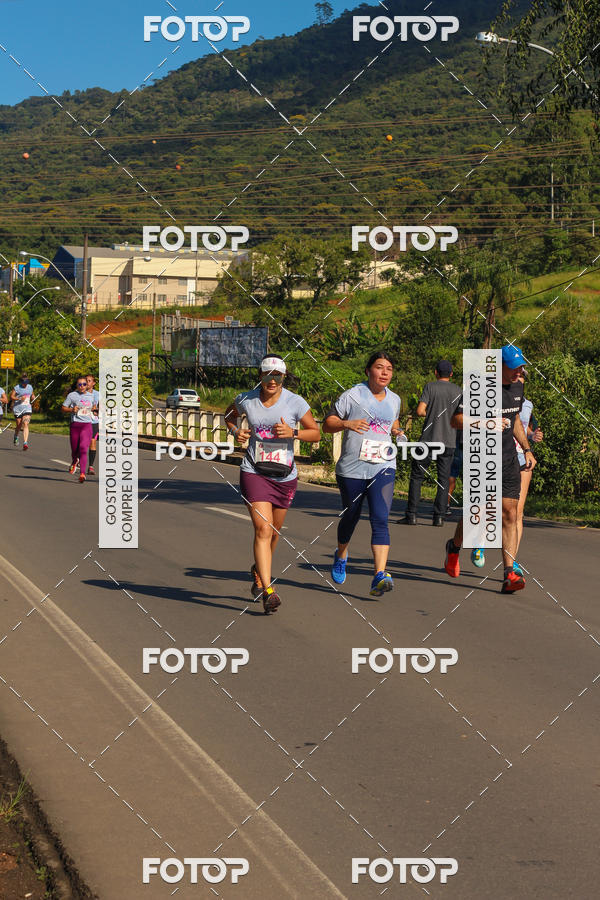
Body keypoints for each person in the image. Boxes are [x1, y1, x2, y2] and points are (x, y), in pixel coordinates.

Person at [224, 355, 320, 615]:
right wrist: (235, 431)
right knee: (263, 530)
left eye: (278, 376)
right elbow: (229, 416)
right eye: (268, 374)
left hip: (285, 475)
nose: (272, 380)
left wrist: (293, 433)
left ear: (283, 378)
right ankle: (268, 591)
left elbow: (316, 433)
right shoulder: (246, 399)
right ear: (260, 375)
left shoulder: (295, 402)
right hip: (254, 470)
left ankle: (258, 569)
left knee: (274, 533)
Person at [443, 345, 536, 594]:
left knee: (509, 512)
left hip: (507, 457)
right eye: (514, 367)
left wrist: (526, 449)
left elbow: (515, 419)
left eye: (520, 367)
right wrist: (486, 422)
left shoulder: (518, 385)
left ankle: (509, 574)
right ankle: (454, 546)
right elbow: (456, 420)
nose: (519, 372)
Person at [323, 351, 402, 597]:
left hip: (383, 465)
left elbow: (393, 422)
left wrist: (398, 433)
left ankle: (379, 574)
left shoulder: (395, 399)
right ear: (368, 371)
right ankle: (341, 554)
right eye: (379, 367)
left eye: (389, 368)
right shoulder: (353, 395)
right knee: (351, 516)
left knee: (380, 518)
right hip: (352, 468)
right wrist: (347, 424)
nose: (385, 372)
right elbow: (327, 424)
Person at [472, 369, 544, 573]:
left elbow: (523, 426)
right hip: (496, 457)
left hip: (521, 458)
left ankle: (511, 563)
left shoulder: (527, 403)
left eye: (521, 377)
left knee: (516, 513)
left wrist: (532, 437)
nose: (518, 379)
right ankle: (480, 543)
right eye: (515, 375)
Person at [401, 360, 460, 526]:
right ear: (451, 374)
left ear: (435, 372)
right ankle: (438, 517)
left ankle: (411, 515)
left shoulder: (430, 387)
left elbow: (420, 410)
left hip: (429, 439)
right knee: (443, 479)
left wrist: (431, 415)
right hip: (449, 441)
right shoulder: (458, 391)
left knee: (417, 476)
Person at [62, 376, 97, 483]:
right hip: (75, 425)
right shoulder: (72, 395)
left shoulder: (91, 396)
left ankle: (82, 474)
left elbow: (94, 407)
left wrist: (95, 410)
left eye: (84, 384)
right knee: (75, 450)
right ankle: (74, 461)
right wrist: (71, 409)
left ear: (87, 385)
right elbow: (63, 408)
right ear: (77, 386)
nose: (82, 386)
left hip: (86, 425)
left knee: (83, 449)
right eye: (80, 384)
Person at [11, 374, 34, 450]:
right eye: (24, 383)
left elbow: (32, 395)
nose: (25, 384)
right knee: (19, 425)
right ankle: (16, 436)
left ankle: (25, 443)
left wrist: (33, 397)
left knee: (25, 423)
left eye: (26, 382)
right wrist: (19, 398)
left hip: (27, 408)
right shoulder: (17, 388)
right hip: (18, 409)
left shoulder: (30, 387)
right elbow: (12, 397)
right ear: (21, 382)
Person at [86, 373, 100, 475]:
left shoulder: (98, 394)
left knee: (93, 442)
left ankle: (91, 466)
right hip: (82, 421)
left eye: (89, 380)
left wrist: (97, 409)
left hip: (94, 421)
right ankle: (77, 458)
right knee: (81, 443)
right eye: (86, 380)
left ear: (93, 383)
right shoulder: (80, 393)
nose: (87, 382)